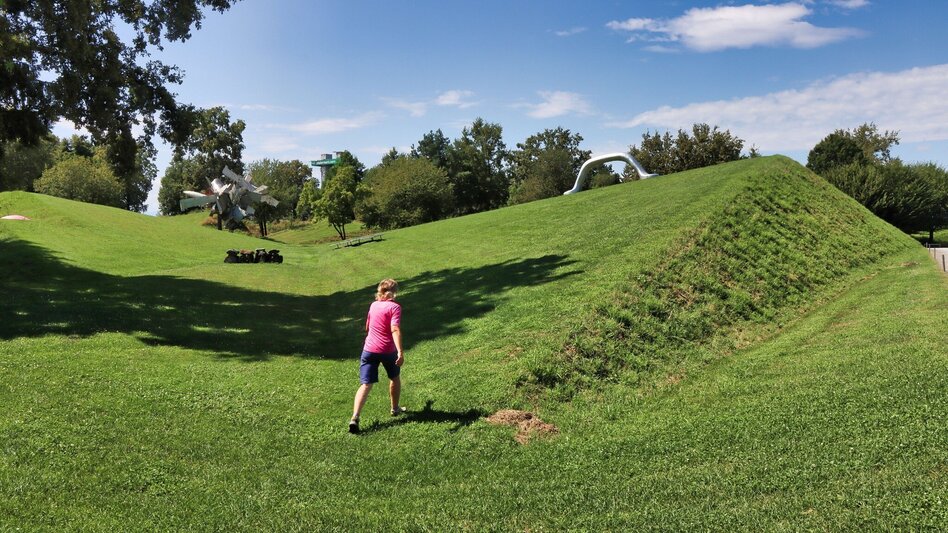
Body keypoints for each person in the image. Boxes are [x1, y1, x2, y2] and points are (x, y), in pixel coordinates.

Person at [349, 278, 405, 434]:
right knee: (394, 378)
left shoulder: (373, 305)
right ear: (395, 292)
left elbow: (367, 326)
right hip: (387, 351)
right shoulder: (395, 307)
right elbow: (395, 329)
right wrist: (400, 350)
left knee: (366, 384)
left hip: (369, 350)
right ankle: (394, 409)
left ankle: (355, 417)